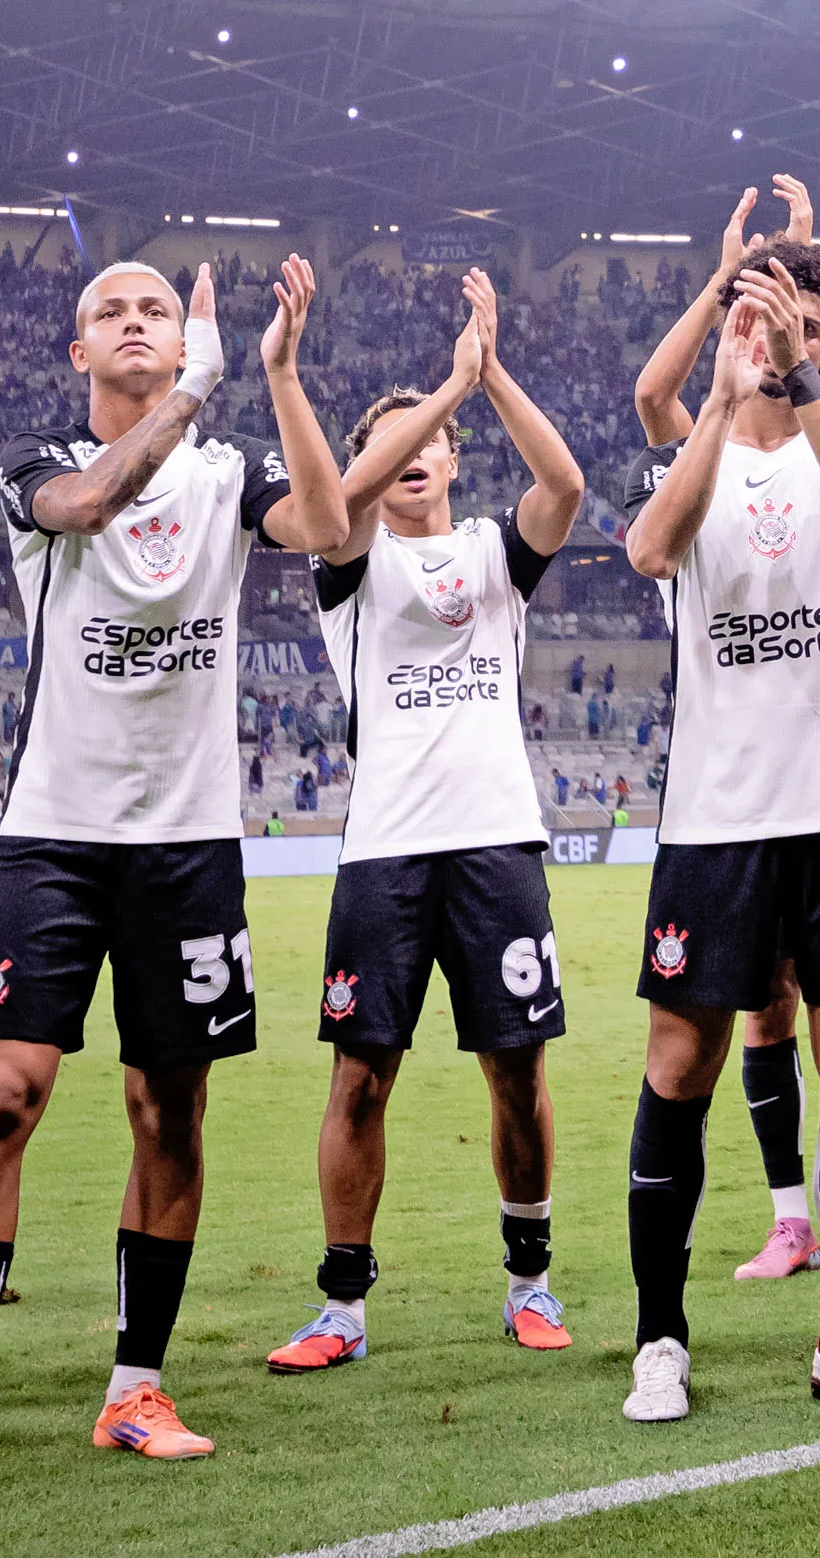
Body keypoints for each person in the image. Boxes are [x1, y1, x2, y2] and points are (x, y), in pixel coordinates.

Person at [0, 251, 347, 1485]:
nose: (136, 324)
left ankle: (135, 1385)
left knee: (169, 1112)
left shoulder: (227, 473)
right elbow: (88, 505)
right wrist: (191, 386)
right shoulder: (36, 463)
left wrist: (278, 376)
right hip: (54, 833)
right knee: (2, 1097)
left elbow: (333, 529)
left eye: (154, 308)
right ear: (77, 350)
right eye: (111, 313)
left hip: (188, 843)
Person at [613, 239, 820, 1422]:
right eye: (749, 314)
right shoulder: (693, 458)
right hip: (718, 822)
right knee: (682, 1066)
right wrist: (712, 394)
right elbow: (650, 548)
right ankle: (660, 1338)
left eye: (789, 316)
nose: (765, 331)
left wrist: (804, 376)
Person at [262, 268, 589, 1375]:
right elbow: (335, 499)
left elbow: (567, 483)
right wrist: (439, 393)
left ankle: (529, 1282)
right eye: (387, 437)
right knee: (359, 1078)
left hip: (497, 843)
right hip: (384, 853)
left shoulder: (495, 553)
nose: (409, 448)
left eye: (428, 436)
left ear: (452, 460)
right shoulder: (348, 556)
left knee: (515, 1071)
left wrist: (485, 378)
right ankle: (341, 1307)